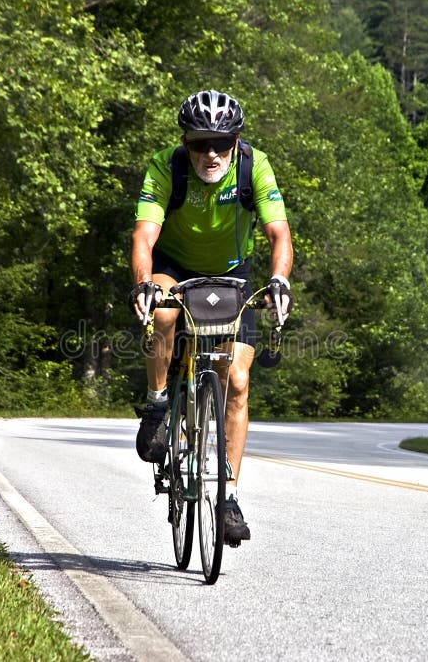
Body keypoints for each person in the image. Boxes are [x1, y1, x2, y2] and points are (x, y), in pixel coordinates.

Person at [129, 89, 293, 546]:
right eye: (200, 144)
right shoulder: (167, 166)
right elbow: (143, 235)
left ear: (236, 141)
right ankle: (157, 403)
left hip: (232, 274)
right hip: (174, 266)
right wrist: (143, 283)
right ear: (186, 142)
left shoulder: (254, 166)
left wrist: (279, 281)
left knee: (236, 381)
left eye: (222, 143)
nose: (211, 154)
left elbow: (279, 234)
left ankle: (228, 497)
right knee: (163, 314)